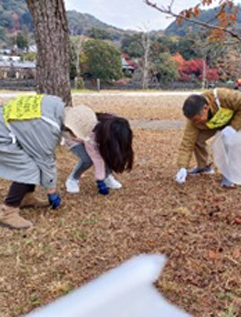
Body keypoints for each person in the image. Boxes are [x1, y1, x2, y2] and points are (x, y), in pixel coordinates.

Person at [0, 95, 97, 229]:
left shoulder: (55, 104)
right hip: (3, 135)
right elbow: (45, 160)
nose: (74, 138)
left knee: (32, 161)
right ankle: (8, 211)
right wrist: (51, 191)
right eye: (75, 134)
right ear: (70, 128)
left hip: (8, 126)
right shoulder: (47, 127)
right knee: (28, 169)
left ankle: (25, 197)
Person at [175, 88, 241, 187]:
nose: (195, 123)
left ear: (206, 108)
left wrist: (233, 127)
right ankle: (203, 167)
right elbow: (187, 143)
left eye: (197, 120)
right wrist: (182, 167)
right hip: (216, 124)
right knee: (196, 139)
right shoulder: (193, 120)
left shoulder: (225, 96)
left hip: (236, 120)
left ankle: (230, 174)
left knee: (228, 140)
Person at [64, 113, 134, 195]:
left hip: (90, 136)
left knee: (108, 152)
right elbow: (96, 157)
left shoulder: (116, 124)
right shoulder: (93, 133)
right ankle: (73, 179)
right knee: (87, 160)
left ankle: (107, 176)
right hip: (72, 137)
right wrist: (100, 180)